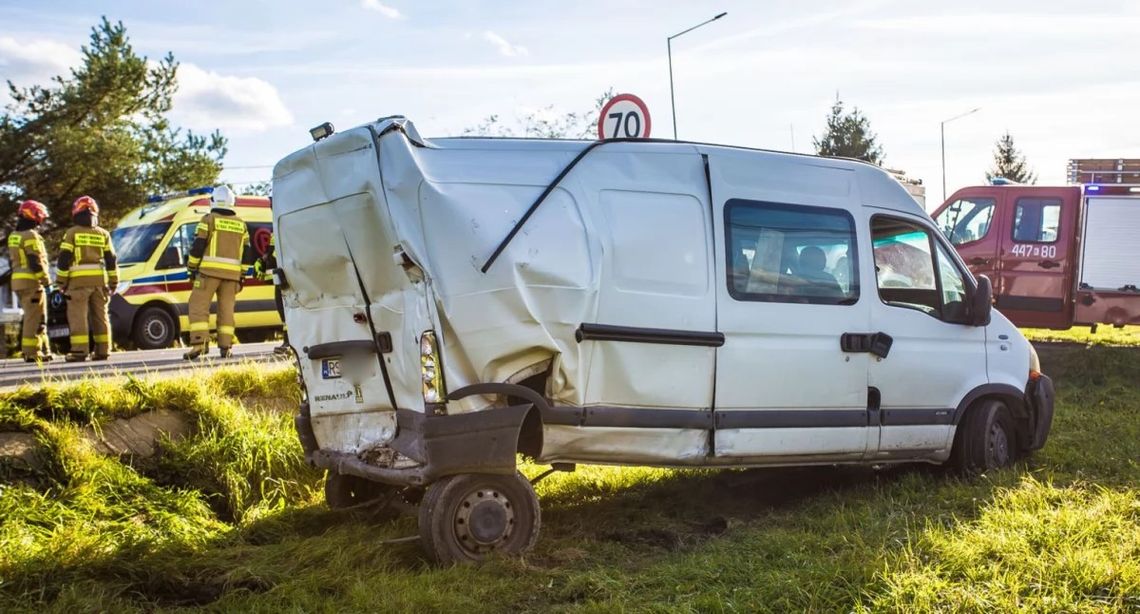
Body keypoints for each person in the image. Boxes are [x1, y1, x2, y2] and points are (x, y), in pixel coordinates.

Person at [184, 185, 249, 360]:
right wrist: (242, 275)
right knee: (226, 310)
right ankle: (226, 347)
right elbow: (248, 253)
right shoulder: (241, 224)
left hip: (208, 274)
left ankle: (199, 344)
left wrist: (191, 267)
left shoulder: (208, 219)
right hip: (232, 277)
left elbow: (198, 246)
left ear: (212, 200)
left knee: (198, 306)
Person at [57, 195, 118, 362]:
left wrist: (61, 282)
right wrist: (114, 282)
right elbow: (111, 259)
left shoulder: (72, 233)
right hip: (100, 282)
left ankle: (79, 351)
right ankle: (103, 350)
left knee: (78, 316)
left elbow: (64, 258)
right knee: (101, 316)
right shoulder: (103, 234)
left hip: (78, 284)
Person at [9, 200, 53, 362]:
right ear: (35, 216)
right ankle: (32, 352)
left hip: (18, 282)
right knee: (34, 318)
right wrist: (47, 281)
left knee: (37, 316)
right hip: (32, 282)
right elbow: (35, 261)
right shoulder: (31, 236)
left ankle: (43, 350)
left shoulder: (14, 236)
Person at [254, 231, 291, 356]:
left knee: (288, 312)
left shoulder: (289, 225)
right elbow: (271, 252)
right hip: (281, 279)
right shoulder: (277, 227)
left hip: (291, 279)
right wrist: (263, 261)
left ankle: (290, 343)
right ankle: (288, 342)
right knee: (283, 312)